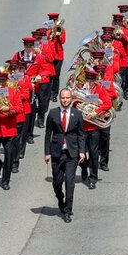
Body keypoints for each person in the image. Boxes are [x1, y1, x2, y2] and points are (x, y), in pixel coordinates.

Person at [44, 88, 85, 222]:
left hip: (71, 154)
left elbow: (81, 134)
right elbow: (48, 134)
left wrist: (82, 151)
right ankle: (60, 199)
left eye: (67, 98)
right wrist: (47, 152)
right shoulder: (53, 113)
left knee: (70, 183)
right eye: (63, 98)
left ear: (71, 99)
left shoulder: (77, 114)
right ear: (60, 98)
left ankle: (67, 209)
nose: (65, 100)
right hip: (57, 153)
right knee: (57, 182)